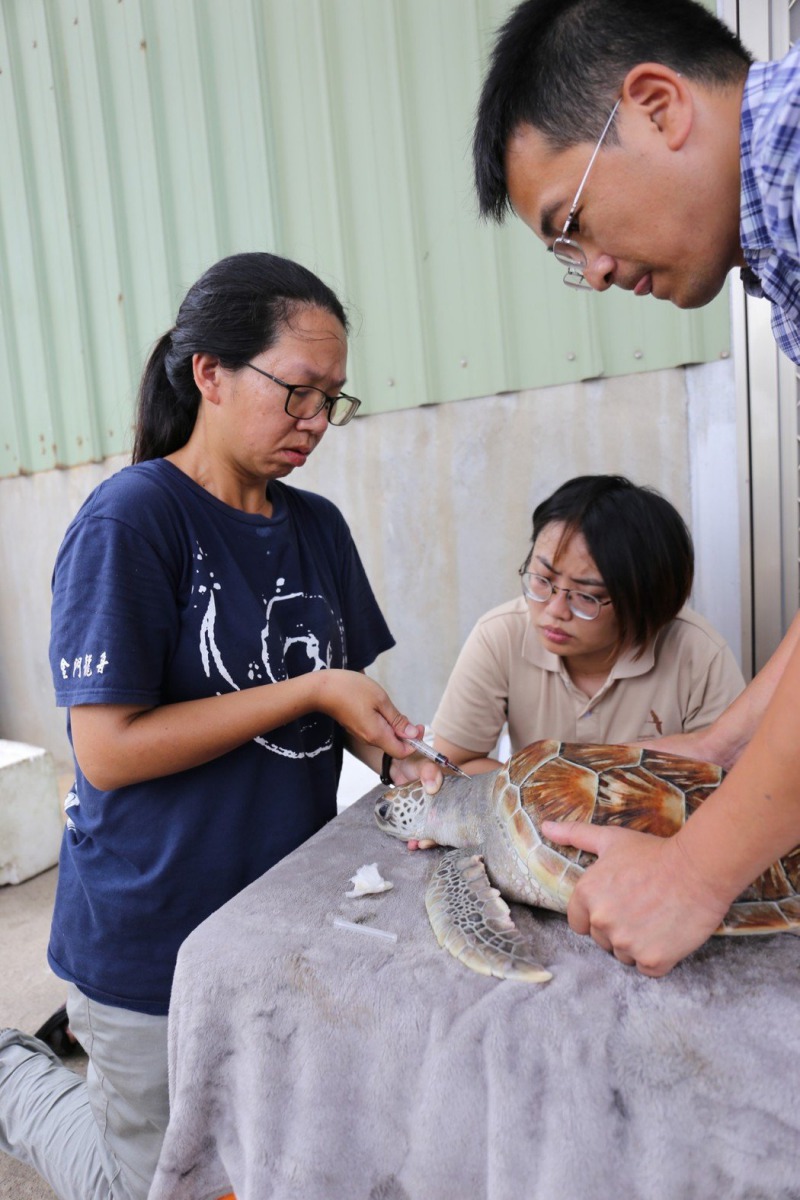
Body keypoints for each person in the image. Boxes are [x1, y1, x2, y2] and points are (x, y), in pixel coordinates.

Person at [0, 251, 425, 1200]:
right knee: (157, 1183)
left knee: (269, 1156)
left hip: (277, 923)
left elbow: (348, 699)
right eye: (298, 393)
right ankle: (15, 1078)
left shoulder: (315, 525)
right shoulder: (133, 519)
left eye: (333, 400)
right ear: (210, 374)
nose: (315, 423)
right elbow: (107, 751)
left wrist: (403, 755)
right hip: (154, 939)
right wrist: (313, 691)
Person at [471, 0, 800, 976]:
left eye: (571, 226)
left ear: (657, 106)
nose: (598, 270)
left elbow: (692, 878)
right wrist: (728, 742)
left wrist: (695, 872)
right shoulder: (775, 250)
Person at [430, 475, 744, 775]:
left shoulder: (698, 653)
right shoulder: (500, 636)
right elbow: (451, 764)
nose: (554, 610)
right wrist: (550, 796)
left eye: (586, 596)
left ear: (645, 600)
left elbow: (735, 779)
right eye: (542, 579)